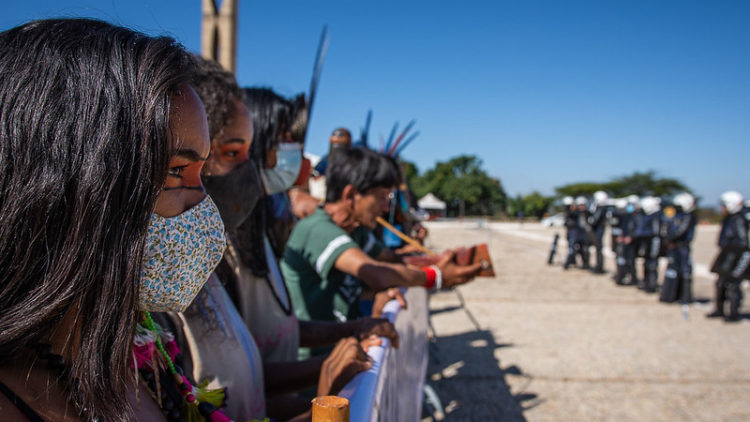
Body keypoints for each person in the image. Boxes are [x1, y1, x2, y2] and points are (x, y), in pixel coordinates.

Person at [0, 18, 219, 421]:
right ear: (77, 186)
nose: (203, 204)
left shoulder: (139, 354)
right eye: (175, 172)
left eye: (201, 173)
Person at [281, 147, 483, 356]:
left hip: (339, 354)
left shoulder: (355, 231)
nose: (386, 208)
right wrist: (436, 277)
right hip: (313, 366)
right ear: (350, 195)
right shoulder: (318, 229)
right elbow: (377, 273)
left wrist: (439, 261)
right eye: (382, 197)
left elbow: (393, 260)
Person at [707, 191, 749, 322]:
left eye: (724, 205)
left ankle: (734, 313)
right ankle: (719, 309)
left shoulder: (740, 219)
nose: (722, 209)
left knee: (734, 284)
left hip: (737, 255)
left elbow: (742, 241)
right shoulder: (729, 219)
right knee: (720, 283)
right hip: (727, 254)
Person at [659, 193, 697, 304]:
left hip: (682, 247)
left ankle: (685, 297)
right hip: (674, 247)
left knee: (685, 270)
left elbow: (680, 231)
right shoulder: (679, 216)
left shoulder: (689, 216)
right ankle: (671, 295)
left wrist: (670, 239)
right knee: (673, 270)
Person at [634, 196, 662, 293]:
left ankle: (652, 284)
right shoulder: (647, 216)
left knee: (652, 264)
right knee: (646, 263)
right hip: (646, 242)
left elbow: (656, 232)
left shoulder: (656, 217)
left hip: (653, 242)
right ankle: (646, 282)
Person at [588, 191, 610, 274]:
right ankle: (599, 266)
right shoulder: (602, 208)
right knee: (598, 249)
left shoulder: (601, 209)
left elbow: (594, 220)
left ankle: (599, 267)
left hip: (599, 231)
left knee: (599, 249)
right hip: (599, 230)